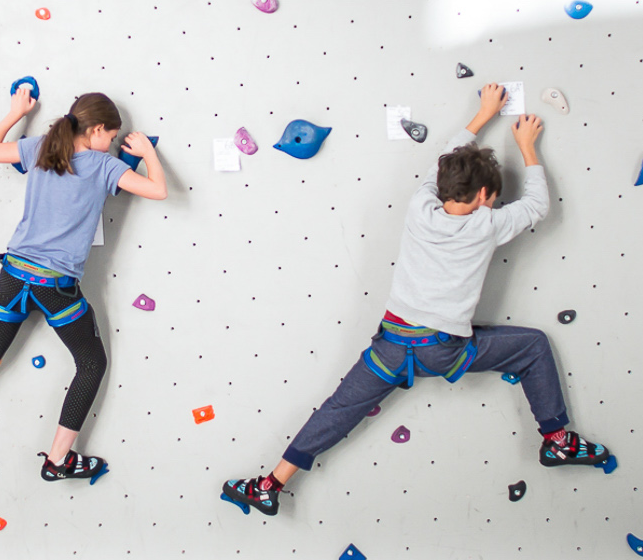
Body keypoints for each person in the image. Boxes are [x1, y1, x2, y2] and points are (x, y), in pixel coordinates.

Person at [221, 85, 610, 517]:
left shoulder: (421, 206)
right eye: (492, 196)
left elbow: (443, 158)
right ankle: (556, 441)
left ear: (444, 186)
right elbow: (537, 206)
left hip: (391, 346)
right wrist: (526, 147)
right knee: (533, 346)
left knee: (338, 409)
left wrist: (482, 116)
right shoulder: (488, 226)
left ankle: (270, 484)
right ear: (484, 197)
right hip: (445, 351)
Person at [0, 85, 166, 482]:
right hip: (54, 287)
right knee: (92, 363)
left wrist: (15, 113)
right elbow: (159, 190)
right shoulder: (105, 166)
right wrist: (147, 153)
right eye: (111, 137)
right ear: (97, 129)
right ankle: (59, 460)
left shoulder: (44, 147)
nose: (111, 144)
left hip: (12, 275)